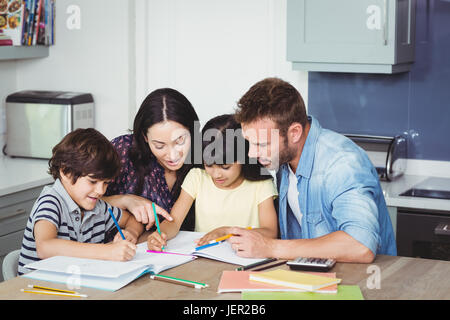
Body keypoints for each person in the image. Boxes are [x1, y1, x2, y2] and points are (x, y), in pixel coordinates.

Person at [229, 77, 397, 263]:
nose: (252, 154)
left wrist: (270, 247)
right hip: (313, 278)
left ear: (294, 133)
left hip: (365, 281)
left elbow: (361, 246)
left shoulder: (342, 163)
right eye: (250, 143)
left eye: (261, 144)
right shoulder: (283, 158)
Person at [18, 128, 144, 275]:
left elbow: (132, 219)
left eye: (106, 183)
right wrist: (107, 251)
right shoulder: (51, 202)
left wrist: (131, 232)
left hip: (75, 286)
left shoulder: (99, 208)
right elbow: (45, 247)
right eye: (93, 181)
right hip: (36, 290)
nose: (101, 191)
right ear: (65, 172)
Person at [147, 114, 278, 250]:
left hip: (243, 260)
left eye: (225, 167)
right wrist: (160, 235)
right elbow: (173, 223)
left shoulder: (261, 185)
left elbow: (270, 232)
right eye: (209, 165)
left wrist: (227, 232)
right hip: (203, 259)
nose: (216, 174)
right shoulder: (197, 177)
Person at [103, 88, 200, 232]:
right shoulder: (123, 150)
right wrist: (124, 200)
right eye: (160, 145)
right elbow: (75, 202)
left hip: (182, 251)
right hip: (118, 249)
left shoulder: (206, 157)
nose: (172, 156)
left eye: (180, 141)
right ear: (145, 137)